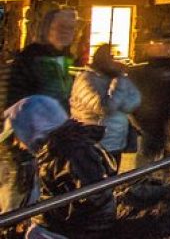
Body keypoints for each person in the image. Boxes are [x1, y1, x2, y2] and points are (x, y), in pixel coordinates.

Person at [1, 95, 117, 238]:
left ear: (33, 128)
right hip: (73, 225)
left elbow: (95, 196)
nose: (16, 143)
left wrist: (44, 216)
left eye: (17, 135)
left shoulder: (70, 150)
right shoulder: (56, 148)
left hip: (81, 230)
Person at [2, 9, 77, 215]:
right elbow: (13, 102)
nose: (66, 32)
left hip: (53, 143)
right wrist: (18, 142)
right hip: (25, 143)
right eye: (60, 27)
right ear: (47, 28)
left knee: (41, 198)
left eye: (70, 28)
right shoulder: (29, 59)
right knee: (18, 198)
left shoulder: (65, 59)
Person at [70, 44, 142, 171]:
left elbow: (134, 101)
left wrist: (121, 94)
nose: (116, 61)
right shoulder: (86, 80)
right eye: (111, 57)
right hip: (96, 142)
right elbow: (104, 108)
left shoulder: (116, 78)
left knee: (111, 180)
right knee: (95, 181)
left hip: (116, 141)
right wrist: (118, 87)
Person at [127, 42, 170, 166]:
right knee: (150, 149)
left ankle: (143, 177)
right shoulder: (169, 72)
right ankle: (143, 177)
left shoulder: (140, 72)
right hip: (153, 117)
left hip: (148, 116)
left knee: (148, 151)